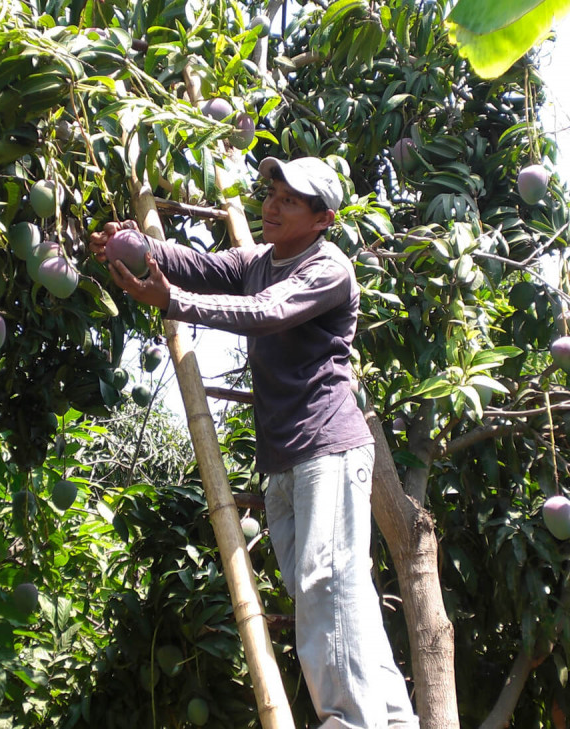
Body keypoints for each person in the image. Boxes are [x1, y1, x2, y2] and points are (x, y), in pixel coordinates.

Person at [89, 156, 419, 729]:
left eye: (290, 200)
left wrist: (174, 303)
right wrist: (133, 245)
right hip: (285, 457)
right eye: (272, 192)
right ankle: (392, 721)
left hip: (328, 448)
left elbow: (267, 313)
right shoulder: (257, 261)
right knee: (334, 592)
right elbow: (195, 264)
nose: (270, 205)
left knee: (325, 585)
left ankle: (348, 721)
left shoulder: (328, 268)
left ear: (323, 219)